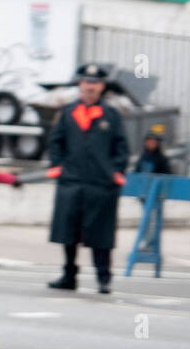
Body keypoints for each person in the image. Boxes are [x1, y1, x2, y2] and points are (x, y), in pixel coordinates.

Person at [46, 63, 129, 294]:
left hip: (101, 184)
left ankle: (104, 278)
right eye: (85, 82)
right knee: (68, 230)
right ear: (80, 84)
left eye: (94, 83)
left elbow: (121, 147)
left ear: (101, 87)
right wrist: (57, 166)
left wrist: (116, 172)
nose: (89, 87)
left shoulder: (111, 115)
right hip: (72, 181)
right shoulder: (68, 112)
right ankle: (69, 275)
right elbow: (56, 142)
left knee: (100, 234)